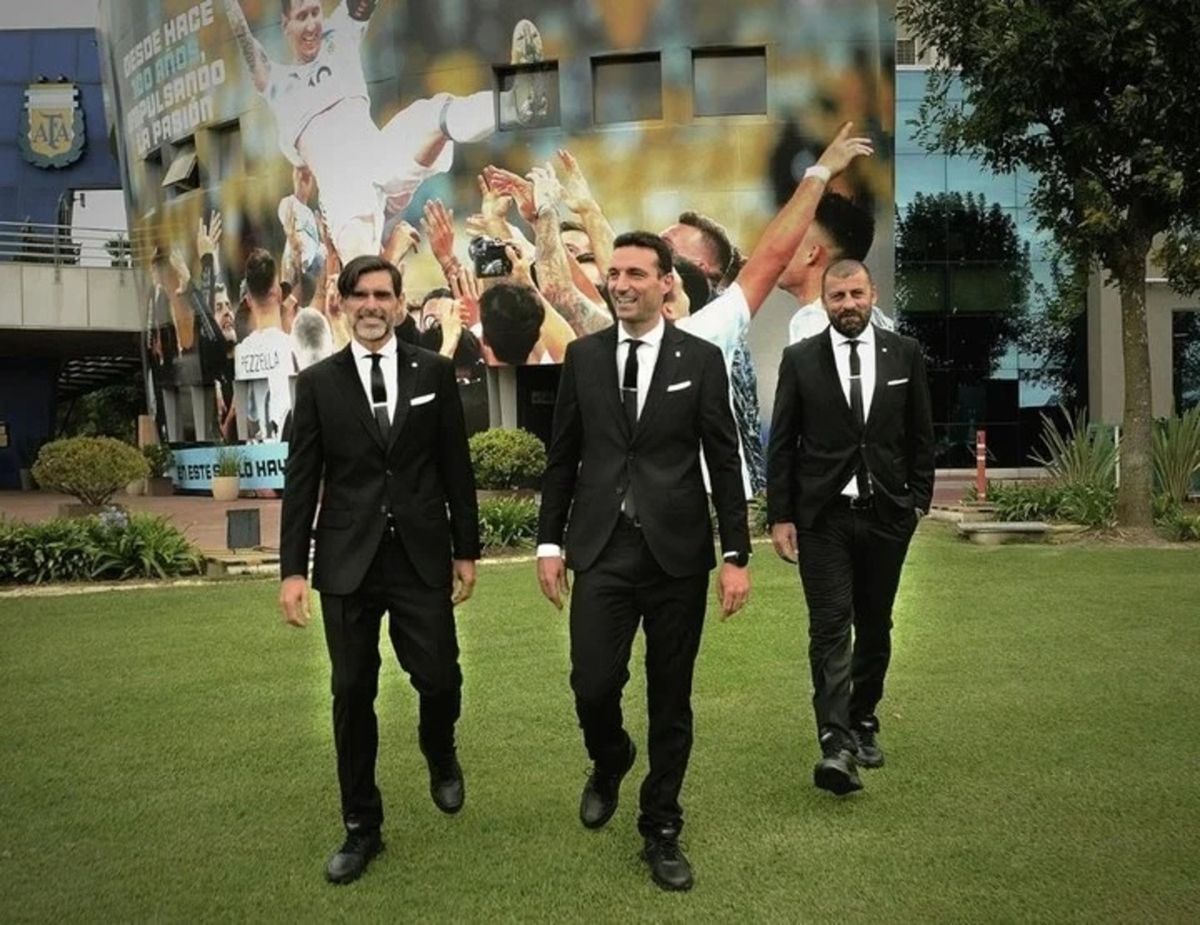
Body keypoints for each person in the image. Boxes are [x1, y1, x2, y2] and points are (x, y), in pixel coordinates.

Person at [536, 231, 751, 892]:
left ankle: (661, 826)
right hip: (602, 548)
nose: (622, 284)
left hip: (677, 555)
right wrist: (549, 544)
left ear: (665, 283)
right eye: (615, 273)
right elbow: (563, 457)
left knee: (670, 695)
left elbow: (724, 460)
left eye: (636, 273)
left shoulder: (701, 359)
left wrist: (735, 553)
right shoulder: (583, 356)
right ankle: (610, 759)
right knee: (592, 683)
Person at [278, 254, 480, 885]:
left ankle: (439, 748)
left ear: (398, 304)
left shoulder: (434, 372)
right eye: (360, 295)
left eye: (383, 295)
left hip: (420, 556)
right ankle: (362, 826)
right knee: (351, 692)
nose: (371, 305)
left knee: (440, 678)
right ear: (343, 303)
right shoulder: (318, 383)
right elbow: (302, 482)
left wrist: (466, 549)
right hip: (347, 561)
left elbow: (455, 467)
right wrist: (292, 570)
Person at [766, 258, 933, 796]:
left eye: (856, 294)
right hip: (823, 518)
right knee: (830, 627)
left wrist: (918, 502)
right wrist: (781, 515)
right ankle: (835, 744)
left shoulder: (904, 353)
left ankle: (863, 719)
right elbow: (782, 442)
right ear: (824, 302)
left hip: (887, 515)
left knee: (875, 624)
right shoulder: (800, 359)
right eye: (837, 297)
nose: (848, 305)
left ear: (872, 294)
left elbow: (920, 432)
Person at [223, 0, 546, 259]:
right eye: (301, 17)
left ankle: (514, 106)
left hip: (379, 156)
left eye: (315, 13)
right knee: (366, 277)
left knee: (435, 113)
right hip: (345, 192)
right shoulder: (276, 83)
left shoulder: (339, 35)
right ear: (285, 25)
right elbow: (244, 41)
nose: (311, 25)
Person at [782, 191, 895, 342]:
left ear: (812, 253)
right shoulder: (881, 322)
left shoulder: (814, 322)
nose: (777, 248)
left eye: (788, 238)